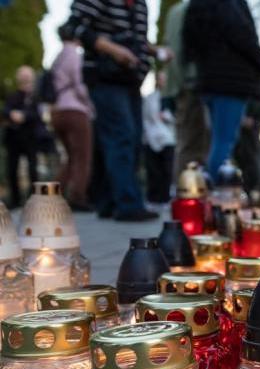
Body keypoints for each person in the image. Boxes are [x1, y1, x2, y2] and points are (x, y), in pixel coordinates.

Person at [69, 0, 159, 221]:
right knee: (122, 136)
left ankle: (109, 202)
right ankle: (128, 204)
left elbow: (135, 38)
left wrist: (152, 51)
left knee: (133, 139)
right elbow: (73, 27)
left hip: (131, 78)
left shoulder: (140, 5)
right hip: (104, 76)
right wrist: (113, 49)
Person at [183, 0, 260, 182]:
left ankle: (209, 191)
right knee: (224, 141)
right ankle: (212, 194)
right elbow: (241, 34)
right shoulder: (229, 5)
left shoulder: (198, 8)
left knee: (219, 139)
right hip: (231, 79)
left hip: (210, 78)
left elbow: (189, 42)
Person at [162, 0, 209, 183]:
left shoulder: (175, 11)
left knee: (188, 142)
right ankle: (188, 195)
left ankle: (185, 193)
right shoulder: (196, 9)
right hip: (194, 81)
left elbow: (169, 50)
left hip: (181, 83)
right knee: (195, 144)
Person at [50, 22, 94, 211]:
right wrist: (90, 105)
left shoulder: (58, 57)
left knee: (71, 157)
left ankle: (50, 195)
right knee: (82, 156)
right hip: (75, 110)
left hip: (58, 110)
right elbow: (78, 84)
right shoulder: (73, 55)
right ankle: (78, 197)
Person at [2, 66, 42, 208]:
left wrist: (23, 115)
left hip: (30, 137)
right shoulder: (13, 96)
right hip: (14, 137)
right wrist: (12, 114)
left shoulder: (35, 97)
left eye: (27, 76)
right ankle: (15, 199)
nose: (25, 79)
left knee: (33, 169)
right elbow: (6, 110)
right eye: (23, 76)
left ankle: (34, 200)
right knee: (12, 168)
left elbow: (37, 115)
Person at [142, 71, 175, 206]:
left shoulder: (171, 99)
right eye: (160, 79)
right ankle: (153, 198)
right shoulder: (149, 98)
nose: (163, 82)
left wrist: (168, 117)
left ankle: (164, 197)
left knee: (166, 170)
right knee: (153, 170)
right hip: (151, 137)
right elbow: (146, 118)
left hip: (168, 138)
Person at [233, 95, 260, 194]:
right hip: (239, 117)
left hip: (253, 122)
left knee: (251, 157)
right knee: (238, 155)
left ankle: (252, 189)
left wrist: (256, 119)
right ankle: (245, 189)